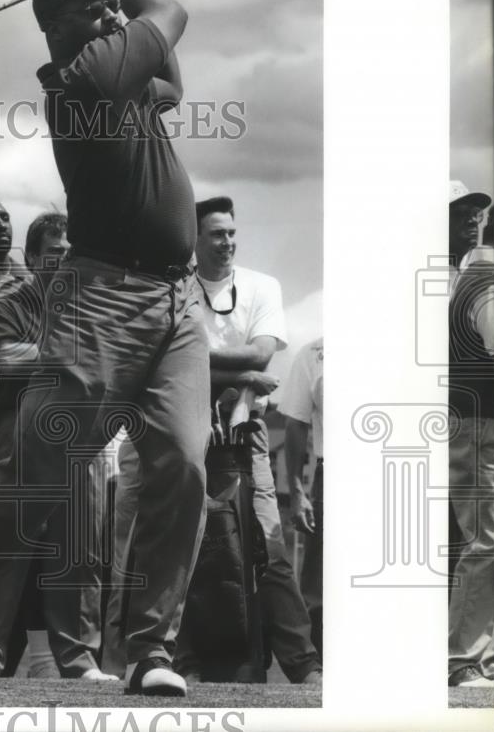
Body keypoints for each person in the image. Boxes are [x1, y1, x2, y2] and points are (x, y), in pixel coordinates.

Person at [0, 0, 210, 697]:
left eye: (111, 3)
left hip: (179, 301)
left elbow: (173, 73)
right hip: (102, 300)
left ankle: (151, 651)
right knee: (42, 485)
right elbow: (171, 13)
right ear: (55, 32)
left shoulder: (119, 75)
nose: (110, 13)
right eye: (91, 7)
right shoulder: (88, 81)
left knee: (184, 464)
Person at [0, 211, 117, 681]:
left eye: (70, 255)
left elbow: (112, 369)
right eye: (54, 255)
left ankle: (79, 660)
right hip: (19, 434)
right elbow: (6, 361)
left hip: (86, 442)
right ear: (33, 258)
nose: (63, 264)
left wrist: (51, 360)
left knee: (78, 556)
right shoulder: (7, 305)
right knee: (4, 549)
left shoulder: (97, 307)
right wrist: (70, 359)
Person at [190, 195, 322, 685]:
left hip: (249, 431)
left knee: (268, 543)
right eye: (215, 234)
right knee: (188, 544)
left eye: (231, 232)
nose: (227, 242)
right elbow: (179, 359)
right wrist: (242, 373)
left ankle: (302, 663)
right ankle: (188, 662)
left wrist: (230, 374)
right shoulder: (176, 288)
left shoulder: (262, 286)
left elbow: (264, 355)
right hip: (184, 424)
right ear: (194, 239)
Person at [447, 181, 494, 689]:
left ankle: (479, 659)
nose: (471, 218)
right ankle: (462, 659)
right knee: (486, 537)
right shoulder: (479, 276)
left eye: (476, 211)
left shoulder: (475, 271)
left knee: (487, 538)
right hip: (473, 419)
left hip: (474, 419)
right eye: (459, 211)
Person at [279, 337, 324, 659]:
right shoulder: (313, 353)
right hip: (332, 471)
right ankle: (321, 665)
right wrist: (296, 491)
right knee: (319, 582)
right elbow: (296, 423)